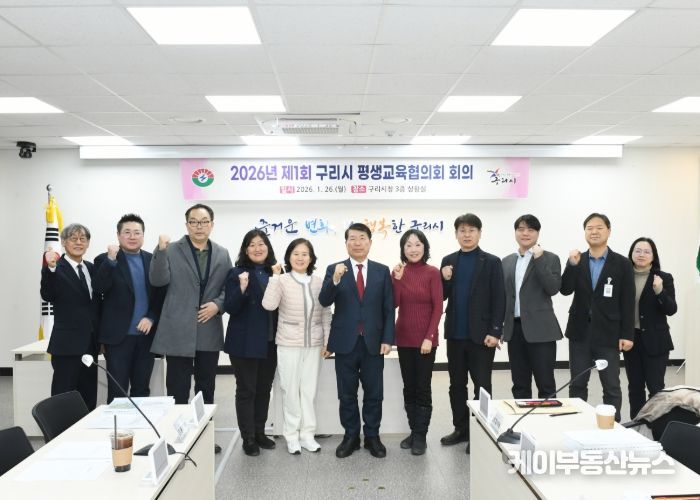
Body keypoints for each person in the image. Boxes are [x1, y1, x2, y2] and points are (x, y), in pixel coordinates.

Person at [149, 204, 231, 453]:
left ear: (212, 224)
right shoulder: (171, 249)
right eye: (194, 222)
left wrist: (218, 305)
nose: (199, 226)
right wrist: (160, 250)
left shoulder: (222, 253)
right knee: (178, 388)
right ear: (186, 225)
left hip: (208, 327)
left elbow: (229, 288)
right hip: (178, 329)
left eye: (204, 221)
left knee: (206, 388)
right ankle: (177, 439)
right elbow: (157, 280)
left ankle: (203, 437)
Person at [319, 222, 394, 459]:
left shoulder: (382, 271)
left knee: (374, 393)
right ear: (346, 243)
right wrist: (335, 279)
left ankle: (372, 436)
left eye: (362, 238)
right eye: (352, 238)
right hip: (345, 342)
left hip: (373, 342)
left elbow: (388, 308)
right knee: (346, 393)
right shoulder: (335, 269)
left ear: (370, 242)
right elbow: (324, 300)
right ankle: (350, 436)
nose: (357, 243)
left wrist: (388, 338)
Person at [440, 213, 505, 454]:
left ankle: (481, 431)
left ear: (479, 233)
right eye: (462, 231)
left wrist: (495, 331)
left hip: (482, 337)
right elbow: (441, 296)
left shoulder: (492, 262)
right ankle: (461, 428)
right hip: (455, 335)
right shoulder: (448, 261)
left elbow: (499, 299)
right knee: (456, 385)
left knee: (482, 386)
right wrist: (445, 279)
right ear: (456, 234)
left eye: (471, 230)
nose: (466, 235)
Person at [560, 213, 635, 422]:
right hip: (580, 333)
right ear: (584, 232)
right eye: (589, 228)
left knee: (611, 385)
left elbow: (628, 302)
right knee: (577, 384)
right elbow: (565, 289)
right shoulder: (578, 259)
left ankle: (611, 426)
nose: (594, 231)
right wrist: (571, 265)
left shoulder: (622, 263)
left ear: (609, 231)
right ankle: (576, 423)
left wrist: (627, 334)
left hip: (609, 333)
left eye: (599, 227)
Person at [262, 238, 331, 455]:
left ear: (311, 258)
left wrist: (327, 341)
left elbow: (325, 313)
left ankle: (307, 435)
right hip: (288, 343)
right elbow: (269, 305)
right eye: (296, 254)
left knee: (308, 391)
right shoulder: (281, 280)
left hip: (314, 344)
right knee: (290, 390)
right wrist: (274, 278)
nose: (300, 258)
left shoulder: (318, 282)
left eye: (305, 254)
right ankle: (291, 436)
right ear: (289, 257)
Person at [93, 214, 164, 403]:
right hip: (118, 339)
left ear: (143, 235)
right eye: (127, 232)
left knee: (142, 389)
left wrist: (151, 317)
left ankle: (140, 423)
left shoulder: (152, 260)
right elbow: (99, 288)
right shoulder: (104, 260)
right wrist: (111, 260)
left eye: (137, 232)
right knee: (117, 392)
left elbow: (160, 296)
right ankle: (117, 424)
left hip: (146, 338)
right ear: (118, 235)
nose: (132, 237)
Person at [223, 229, 280, 456]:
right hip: (245, 342)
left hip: (271, 341)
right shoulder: (236, 273)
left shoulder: (276, 272)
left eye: (261, 243)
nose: (258, 248)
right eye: (252, 244)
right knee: (247, 390)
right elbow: (230, 307)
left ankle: (259, 432)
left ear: (268, 247)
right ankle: (248, 438)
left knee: (264, 389)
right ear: (246, 250)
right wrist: (242, 289)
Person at [391, 229, 442, 456]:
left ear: (425, 247)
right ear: (403, 249)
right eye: (408, 245)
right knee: (409, 387)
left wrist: (429, 337)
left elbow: (438, 307)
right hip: (404, 338)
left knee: (422, 388)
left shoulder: (432, 273)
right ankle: (413, 431)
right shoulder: (398, 272)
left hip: (425, 341)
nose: (413, 249)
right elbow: (394, 303)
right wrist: (397, 280)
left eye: (418, 244)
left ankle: (421, 435)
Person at [501, 214, 562, 400]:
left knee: (545, 384)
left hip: (541, 330)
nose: (525, 233)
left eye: (530, 229)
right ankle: (522, 418)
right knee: (519, 384)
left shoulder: (550, 258)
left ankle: (548, 418)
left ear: (538, 233)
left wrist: (539, 259)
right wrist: (501, 328)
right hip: (515, 330)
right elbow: (504, 297)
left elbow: (553, 288)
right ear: (515, 232)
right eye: (521, 229)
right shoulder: (506, 261)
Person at [40, 223, 99, 410]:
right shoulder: (56, 267)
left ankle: (86, 426)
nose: (78, 242)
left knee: (88, 394)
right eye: (73, 239)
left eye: (83, 239)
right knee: (63, 396)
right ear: (64, 242)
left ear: (88, 243)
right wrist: (49, 268)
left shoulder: (91, 268)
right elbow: (47, 294)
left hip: (90, 344)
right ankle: (60, 429)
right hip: (66, 346)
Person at [624, 237, 677, 419]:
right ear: (631, 253)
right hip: (631, 339)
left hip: (656, 340)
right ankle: (636, 425)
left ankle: (657, 426)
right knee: (635, 387)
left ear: (653, 256)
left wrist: (659, 291)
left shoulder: (663, 278)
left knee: (656, 388)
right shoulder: (624, 277)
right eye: (638, 250)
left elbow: (671, 309)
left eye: (647, 251)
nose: (641, 255)